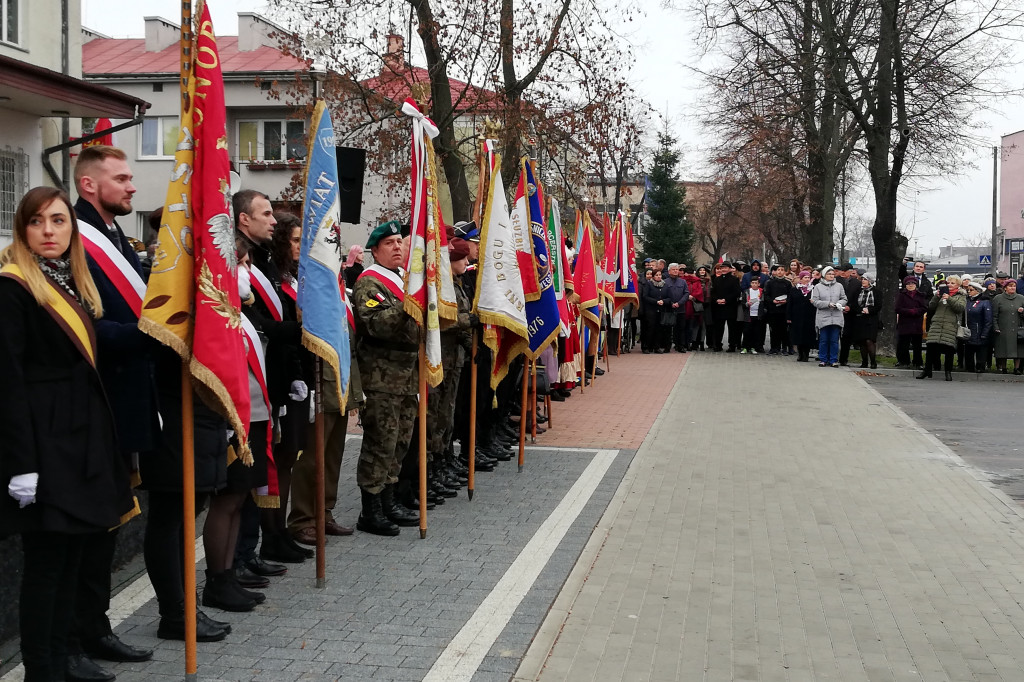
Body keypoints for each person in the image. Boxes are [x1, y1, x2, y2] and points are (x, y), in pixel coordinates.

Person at [0, 187, 138, 682]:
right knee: (46, 567)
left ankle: (62, 659)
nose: (49, 231)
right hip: (44, 445)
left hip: (81, 440)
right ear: (23, 229)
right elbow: (7, 381)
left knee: (72, 558)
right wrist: (21, 464)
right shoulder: (13, 287)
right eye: (37, 222)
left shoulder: (67, 280)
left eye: (58, 221)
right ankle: (42, 669)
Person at [69, 145, 155, 680]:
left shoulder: (117, 237)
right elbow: (87, 330)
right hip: (94, 402)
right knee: (86, 531)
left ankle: (95, 627)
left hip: (124, 398)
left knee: (105, 527)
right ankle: (79, 633)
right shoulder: (78, 242)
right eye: (121, 178)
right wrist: (151, 337)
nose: (131, 186)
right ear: (88, 186)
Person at [352, 221, 420, 535]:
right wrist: (409, 305)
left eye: (398, 241)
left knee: (400, 442)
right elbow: (375, 323)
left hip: (406, 376)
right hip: (381, 377)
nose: (396, 247)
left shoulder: (404, 280)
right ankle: (371, 509)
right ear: (375, 249)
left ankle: (389, 500)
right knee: (380, 442)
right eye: (389, 243)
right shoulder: (370, 283)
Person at [918, 275, 966, 381]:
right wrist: (937, 296)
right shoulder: (940, 294)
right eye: (948, 283)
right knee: (931, 348)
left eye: (952, 283)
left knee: (949, 349)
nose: (949, 285)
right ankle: (926, 370)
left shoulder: (961, 296)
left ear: (958, 285)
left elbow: (960, 308)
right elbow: (931, 306)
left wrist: (949, 299)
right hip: (937, 324)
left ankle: (948, 372)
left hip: (950, 326)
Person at [811, 266, 847, 367]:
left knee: (834, 340)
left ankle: (833, 360)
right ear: (824, 275)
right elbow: (815, 301)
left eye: (832, 274)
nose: (831, 276)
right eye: (829, 274)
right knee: (824, 339)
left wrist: (839, 303)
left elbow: (844, 298)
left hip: (836, 316)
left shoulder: (839, 286)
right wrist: (827, 304)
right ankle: (823, 359)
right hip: (823, 317)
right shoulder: (818, 286)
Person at [991, 278, 1024, 375]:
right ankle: (1003, 368)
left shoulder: (1021, 298)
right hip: (1003, 328)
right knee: (1003, 349)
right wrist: (996, 327)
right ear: (1005, 288)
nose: (1013, 288)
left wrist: (1022, 312)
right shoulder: (998, 299)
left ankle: (1016, 368)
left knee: (1018, 350)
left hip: (1017, 329)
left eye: (1014, 286)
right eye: (1010, 286)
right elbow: (994, 315)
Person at [894, 276, 927, 369]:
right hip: (904, 323)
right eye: (908, 284)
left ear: (916, 285)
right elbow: (897, 308)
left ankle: (918, 362)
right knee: (903, 344)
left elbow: (924, 307)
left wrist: (916, 311)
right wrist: (909, 311)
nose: (910, 285)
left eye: (912, 283)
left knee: (917, 345)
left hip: (917, 323)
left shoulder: (921, 295)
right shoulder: (901, 295)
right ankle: (903, 361)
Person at [709, 262, 741, 352]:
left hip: (730, 306)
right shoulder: (717, 280)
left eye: (726, 268)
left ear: (730, 269)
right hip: (718, 307)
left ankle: (732, 345)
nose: (723, 269)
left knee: (732, 327)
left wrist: (726, 300)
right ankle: (718, 344)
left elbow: (737, 292)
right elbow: (713, 292)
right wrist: (717, 300)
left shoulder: (734, 279)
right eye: (722, 268)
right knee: (718, 327)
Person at [787, 271, 817, 362]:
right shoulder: (794, 289)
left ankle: (806, 355)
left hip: (809, 316)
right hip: (797, 316)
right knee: (798, 336)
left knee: (807, 336)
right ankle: (800, 354)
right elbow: (790, 303)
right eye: (805, 277)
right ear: (801, 278)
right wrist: (789, 317)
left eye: (808, 277)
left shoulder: (813, 289)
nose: (807, 279)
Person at [963, 281, 993, 373]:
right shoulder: (967, 301)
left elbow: (988, 319)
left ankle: (980, 367)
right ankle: (969, 367)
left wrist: (985, 333)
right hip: (969, 330)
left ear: (977, 291)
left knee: (981, 350)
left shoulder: (985, 302)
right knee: (968, 350)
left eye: (971, 290)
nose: (969, 292)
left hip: (980, 330)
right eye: (968, 290)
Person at [763, 264, 792, 355]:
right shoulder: (770, 283)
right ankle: (774, 348)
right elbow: (766, 296)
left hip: (783, 310)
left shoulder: (787, 283)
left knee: (784, 330)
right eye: (778, 270)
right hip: (773, 310)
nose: (779, 271)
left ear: (784, 272)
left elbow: (790, 296)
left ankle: (784, 348)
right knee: (773, 330)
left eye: (782, 269)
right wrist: (773, 301)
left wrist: (785, 301)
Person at [853, 274, 880, 368]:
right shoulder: (858, 291)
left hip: (871, 319)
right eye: (862, 279)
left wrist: (869, 310)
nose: (863, 281)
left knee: (869, 340)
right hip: (860, 318)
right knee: (862, 341)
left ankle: (873, 361)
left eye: (865, 279)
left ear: (870, 281)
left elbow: (878, 305)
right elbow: (853, 304)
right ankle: (864, 362)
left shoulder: (876, 292)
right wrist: (860, 310)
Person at [662, 263, 689, 352]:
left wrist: (679, 303)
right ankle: (667, 346)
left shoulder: (683, 282)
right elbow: (663, 295)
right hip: (669, 308)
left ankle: (680, 345)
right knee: (667, 329)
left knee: (680, 328)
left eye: (677, 269)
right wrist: (671, 303)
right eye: (673, 269)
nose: (675, 271)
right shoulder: (665, 282)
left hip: (680, 309)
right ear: (669, 271)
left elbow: (686, 293)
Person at [740, 276, 764, 354]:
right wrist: (747, 304)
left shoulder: (762, 292)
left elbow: (764, 302)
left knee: (756, 332)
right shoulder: (746, 291)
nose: (754, 284)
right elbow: (743, 302)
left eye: (756, 283)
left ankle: (754, 347)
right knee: (747, 331)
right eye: (752, 283)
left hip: (758, 315)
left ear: (759, 284)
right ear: (750, 284)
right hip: (748, 315)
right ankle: (745, 347)